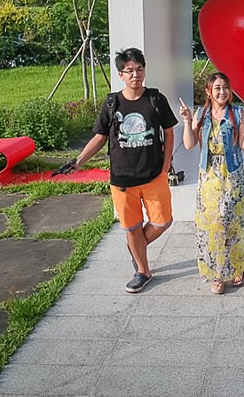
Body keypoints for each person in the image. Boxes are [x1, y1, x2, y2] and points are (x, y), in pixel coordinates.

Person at [68, 47, 178, 293]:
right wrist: (79, 160)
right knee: (132, 226)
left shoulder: (155, 99)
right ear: (121, 74)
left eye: (139, 69)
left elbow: (169, 131)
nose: (135, 75)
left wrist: (166, 163)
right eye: (129, 71)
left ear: (144, 71)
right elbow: (100, 137)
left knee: (163, 222)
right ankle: (143, 271)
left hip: (154, 175)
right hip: (122, 179)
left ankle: (136, 246)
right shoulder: (112, 103)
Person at [179, 72, 244, 294]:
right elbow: (189, 144)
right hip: (209, 176)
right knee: (212, 223)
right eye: (217, 88)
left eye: (225, 87)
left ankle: (237, 266)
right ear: (208, 91)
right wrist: (187, 121)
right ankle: (217, 273)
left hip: (232, 174)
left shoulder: (238, 113)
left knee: (234, 221)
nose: (222, 92)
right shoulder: (201, 114)